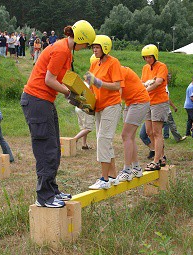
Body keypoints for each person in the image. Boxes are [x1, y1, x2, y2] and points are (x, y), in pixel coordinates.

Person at [20, 20, 95, 208]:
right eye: (87, 44)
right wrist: (69, 94)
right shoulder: (61, 50)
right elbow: (49, 80)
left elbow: (67, 78)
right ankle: (44, 196)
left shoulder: (66, 51)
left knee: (54, 147)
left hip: (44, 101)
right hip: (37, 100)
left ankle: (52, 190)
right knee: (46, 149)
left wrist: (83, 94)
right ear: (80, 39)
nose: (86, 48)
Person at [84, 35, 123, 190]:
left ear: (105, 47)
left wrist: (99, 83)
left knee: (103, 140)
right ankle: (113, 176)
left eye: (97, 47)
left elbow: (117, 86)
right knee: (104, 140)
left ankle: (104, 179)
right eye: (93, 47)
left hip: (111, 105)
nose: (94, 49)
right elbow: (90, 82)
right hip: (99, 106)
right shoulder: (95, 63)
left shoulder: (114, 62)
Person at [116, 65, 150, 181]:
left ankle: (127, 170)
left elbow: (117, 94)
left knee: (126, 135)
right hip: (130, 102)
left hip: (139, 101)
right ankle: (136, 168)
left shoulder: (118, 71)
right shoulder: (106, 71)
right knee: (130, 137)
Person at [141, 44, 169, 171]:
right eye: (145, 57)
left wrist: (146, 90)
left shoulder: (161, 66)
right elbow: (142, 82)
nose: (147, 60)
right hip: (148, 101)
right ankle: (161, 157)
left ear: (155, 56)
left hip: (159, 101)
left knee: (157, 132)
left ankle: (156, 161)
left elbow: (158, 82)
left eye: (149, 57)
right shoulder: (145, 68)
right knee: (148, 131)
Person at [73, 54, 97, 150]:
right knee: (88, 128)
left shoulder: (86, 78)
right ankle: (74, 139)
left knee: (84, 127)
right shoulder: (94, 80)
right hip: (85, 108)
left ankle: (84, 144)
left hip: (78, 107)